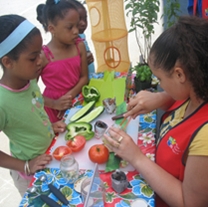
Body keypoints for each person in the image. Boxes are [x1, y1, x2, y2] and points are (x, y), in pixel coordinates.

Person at [104, 16, 208, 207]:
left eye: (159, 79)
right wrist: (161, 98)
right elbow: (182, 96)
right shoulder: (197, 90)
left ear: (179, 75)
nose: (159, 85)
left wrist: (136, 157)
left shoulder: (205, 138)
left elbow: (190, 203)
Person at [0, 14, 66, 196]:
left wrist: (49, 126)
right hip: (29, 174)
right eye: (32, 57)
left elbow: (31, 112)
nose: (41, 60)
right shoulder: (2, 101)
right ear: (8, 62)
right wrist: (25, 165)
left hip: (49, 156)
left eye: (40, 52)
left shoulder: (29, 79)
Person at [36, 0, 89, 123]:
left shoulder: (79, 46)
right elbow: (31, 92)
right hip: (54, 111)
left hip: (78, 102)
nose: (76, 31)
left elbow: (84, 77)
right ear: (52, 29)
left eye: (76, 25)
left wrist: (68, 98)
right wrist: (55, 103)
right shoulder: (43, 56)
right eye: (70, 27)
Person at [71, 0, 95, 75]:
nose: (83, 23)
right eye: (79, 20)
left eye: (85, 18)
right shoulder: (70, 42)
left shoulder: (82, 36)